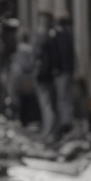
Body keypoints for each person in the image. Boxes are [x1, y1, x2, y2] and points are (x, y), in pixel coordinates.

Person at [34, 11, 57, 140]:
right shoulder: (47, 38)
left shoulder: (47, 39)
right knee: (47, 106)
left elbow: (45, 61)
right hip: (45, 76)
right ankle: (48, 130)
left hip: (45, 77)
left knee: (47, 106)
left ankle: (48, 131)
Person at [8, 32, 38, 126]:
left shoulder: (20, 49)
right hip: (27, 77)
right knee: (27, 99)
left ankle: (23, 119)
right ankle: (26, 119)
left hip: (20, 77)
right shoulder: (29, 48)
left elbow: (20, 63)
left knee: (21, 98)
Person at [52, 13, 74, 135]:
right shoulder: (71, 34)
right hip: (69, 70)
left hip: (62, 71)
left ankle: (65, 124)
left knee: (62, 98)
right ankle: (67, 122)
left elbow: (59, 54)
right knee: (67, 97)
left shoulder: (60, 35)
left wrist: (56, 68)